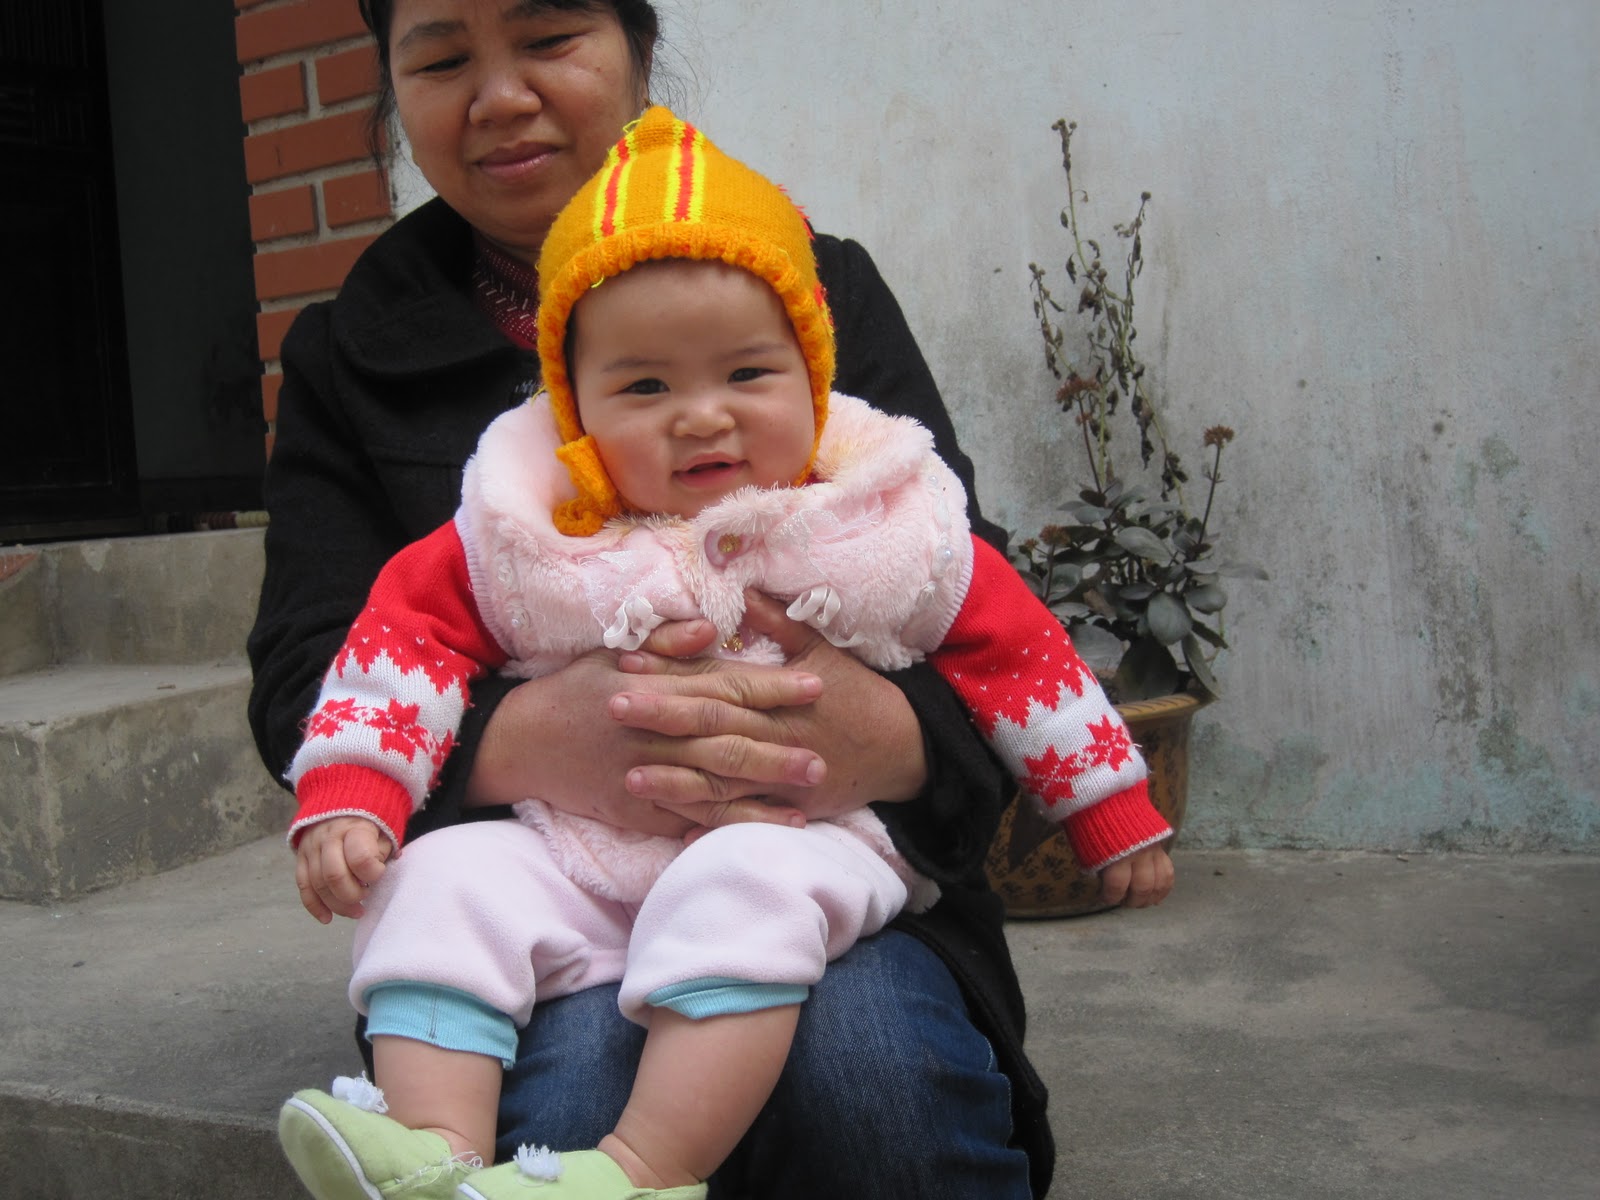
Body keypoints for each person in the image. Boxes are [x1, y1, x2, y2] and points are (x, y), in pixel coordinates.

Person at [246, 3, 1169, 1197]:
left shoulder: (811, 286)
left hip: (820, 847)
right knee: (567, 1089)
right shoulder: (358, 363)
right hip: (549, 865)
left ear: (638, 48)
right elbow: (321, 668)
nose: (500, 96)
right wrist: (530, 741)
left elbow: (976, 611)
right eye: (440, 57)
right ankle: (440, 1158)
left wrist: (883, 736)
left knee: (869, 1079)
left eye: (547, 38)